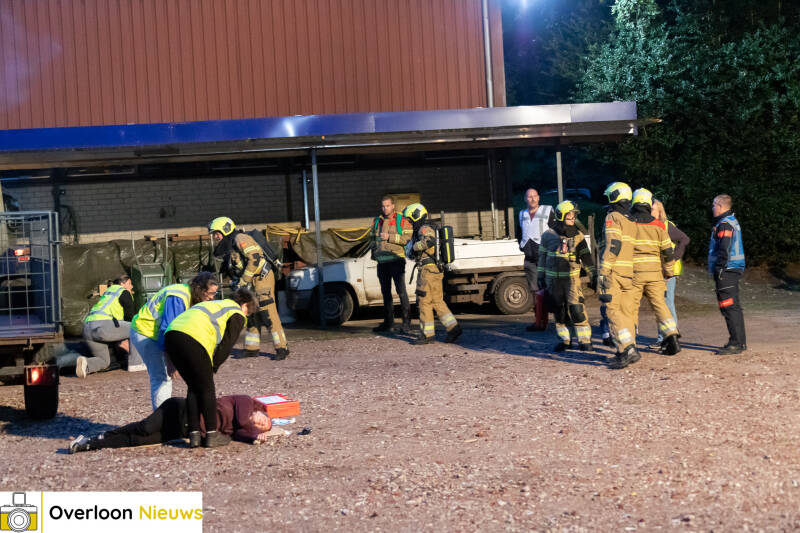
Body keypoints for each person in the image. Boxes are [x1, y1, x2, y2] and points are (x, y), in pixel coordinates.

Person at [164, 288, 255, 448]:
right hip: (192, 337)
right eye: (248, 311)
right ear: (244, 304)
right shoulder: (236, 312)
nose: (247, 315)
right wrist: (214, 365)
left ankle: (195, 435)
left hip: (171, 336)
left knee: (194, 387)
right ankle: (212, 435)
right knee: (207, 388)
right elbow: (227, 344)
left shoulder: (215, 304)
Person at [129, 272, 220, 410]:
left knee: (167, 375)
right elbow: (167, 332)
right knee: (162, 377)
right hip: (145, 332)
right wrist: (171, 361)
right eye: (211, 293)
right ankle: (162, 421)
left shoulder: (191, 297)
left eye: (215, 294)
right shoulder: (177, 297)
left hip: (155, 333)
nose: (212, 297)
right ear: (200, 289)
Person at [68, 395, 273, 453]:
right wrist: (255, 433)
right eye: (264, 420)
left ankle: (90, 443)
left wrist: (254, 436)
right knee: (144, 427)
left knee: (137, 441)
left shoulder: (239, 431)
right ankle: (105, 433)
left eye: (263, 426)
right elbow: (244, 420)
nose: (261, 424)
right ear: (259, 410)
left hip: (181, 429)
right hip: (179, 409)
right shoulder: (245, 402)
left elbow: (240, 433)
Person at [209, 217, 289, 360]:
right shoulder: (231, 244)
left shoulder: (240, 238)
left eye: (217, 233)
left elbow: (255, 258)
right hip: (251, 281)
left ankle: (282, 348)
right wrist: (237, 281)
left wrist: (243, 280)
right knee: (250, 313)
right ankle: (252, 348)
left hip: (261, 278)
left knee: (267, 313)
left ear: (225, 229)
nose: (216, 237)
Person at [628, 189, 681, 355]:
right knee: (661, 306)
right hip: (655, 273)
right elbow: (667, 251)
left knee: (631, 308)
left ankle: (630, 345)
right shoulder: (659, 225)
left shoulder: (629, 223)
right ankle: (672, 336)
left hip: (635, 273)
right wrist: (669, 272)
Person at [537, 200, 595, 351]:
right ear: (561, 215)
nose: (572, 217)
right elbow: (542, 257)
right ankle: (565, 340)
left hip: (572, 281)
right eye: (570, 214)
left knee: (577, 310)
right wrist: (540, 277)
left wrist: (593, 274)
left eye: (574, 215)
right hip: (553, 281)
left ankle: (585, 341)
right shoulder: (547, 236)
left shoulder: (579, 236)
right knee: (559, 312)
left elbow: (586, 257)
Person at [403, 203, 462, 345]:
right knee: (437, 301)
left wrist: (414, 248)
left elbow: (429, 241)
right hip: (435, 270)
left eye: (410, 219)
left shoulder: (423, 229)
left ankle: (427, 334)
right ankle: (453, 328)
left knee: (424, 302)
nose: (410, 223)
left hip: (427, 271)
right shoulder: (426, 227)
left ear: (416, 215)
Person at [598, 182, 640, 369]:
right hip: (628, 273)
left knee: (612, 311)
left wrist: (604, 271)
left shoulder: (613, 217)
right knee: (626, 313)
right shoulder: (631, 220)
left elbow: (613, 245)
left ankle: (624, 351)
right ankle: (631, 349)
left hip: (614, 272)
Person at [77, 275, 136, 378]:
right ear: (122, 284)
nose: (132, 287)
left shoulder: (107, 293)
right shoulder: (123, 291)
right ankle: (137, 363)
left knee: (104, 361)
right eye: (130, 284)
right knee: (137, 326)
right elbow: (130, 316)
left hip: (87, 328)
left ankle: (86, 363)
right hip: (103, 326)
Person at [709, 194, 747, 354]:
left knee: (729, 306)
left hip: (727, 270)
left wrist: (719, 269)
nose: (712, 208)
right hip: (731, 269)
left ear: (720, 206)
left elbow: (725, 248)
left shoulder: (725, 224)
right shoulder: (730, 221)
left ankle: (736, 343)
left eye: (713, 205)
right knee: (733, 307)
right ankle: (738, 341)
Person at [649, 200, 690, 348]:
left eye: (653, 210)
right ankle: (665, 337)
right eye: (650, 209)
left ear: (660, 212)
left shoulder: (667, 226)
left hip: (667, 272)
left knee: (667, 304)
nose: (651, 212)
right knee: (661, 304)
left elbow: (685, 239)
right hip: (655, 271)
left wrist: (673, 258)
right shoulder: (649, 226)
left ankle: (669, 337)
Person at [371, 195, 413, 333]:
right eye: (383, 206)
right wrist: (374, 254)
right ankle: (388, 323)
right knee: (386, 293)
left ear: (393, 206)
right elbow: (372, 239)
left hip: (396, 260)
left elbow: (407, 238)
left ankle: (406, 323)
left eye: (387, 206)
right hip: (382, 262)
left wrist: (390, 237)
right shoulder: (377, 221)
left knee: (401, 292)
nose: (385, 208)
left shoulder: (402, 220)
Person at [518, 188, 554, 331]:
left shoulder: (547, 211)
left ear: (538, 198)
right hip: (530, 259)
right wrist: (522, 246)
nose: (532, 199)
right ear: (525, 199)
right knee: (534, 291)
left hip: (545, 258)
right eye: (529, 197)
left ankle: (561, 321)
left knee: (550, 289)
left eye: (534, 196)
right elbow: (519, 232)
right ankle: (539, 322)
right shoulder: (522, 214)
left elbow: (555, 231)